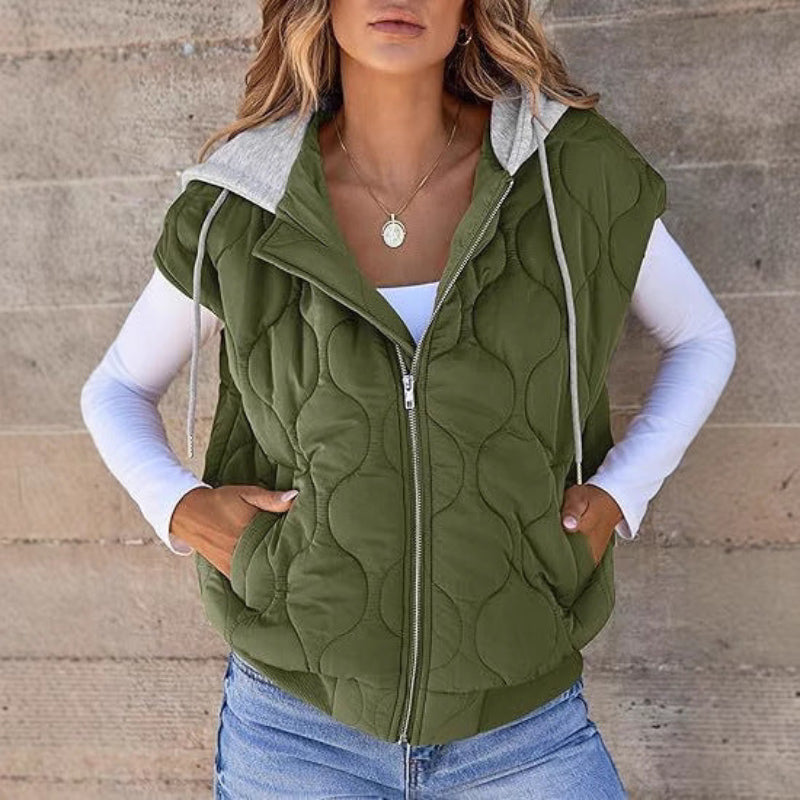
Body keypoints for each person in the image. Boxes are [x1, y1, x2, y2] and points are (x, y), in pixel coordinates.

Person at [80, 1, 737, 797]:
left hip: (524, 728)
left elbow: (703, 339)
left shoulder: (570, 171)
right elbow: (116, 388)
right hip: (294, 731)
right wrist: (180, 509)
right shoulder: (242, 199)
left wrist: (621, 493)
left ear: (468, 11)